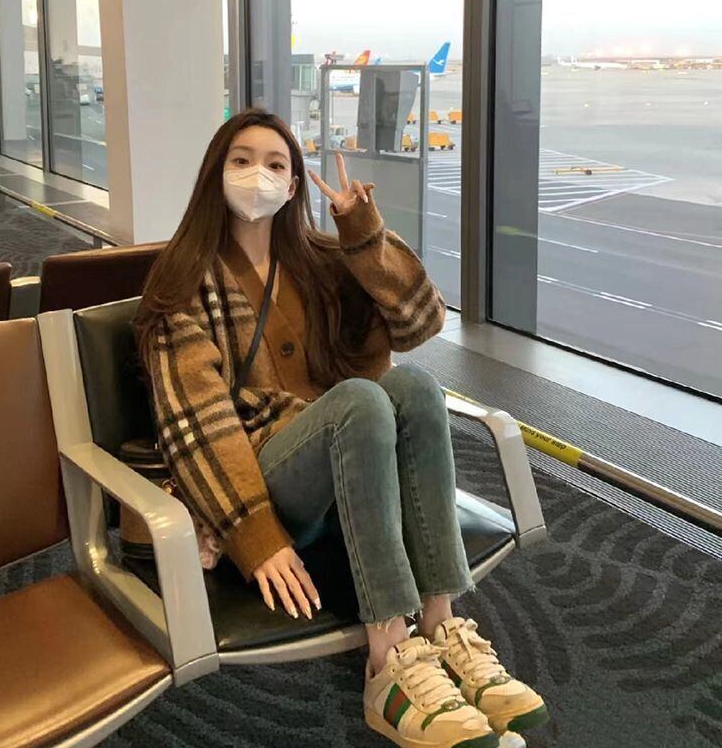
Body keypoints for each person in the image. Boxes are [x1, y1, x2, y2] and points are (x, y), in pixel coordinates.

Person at [135, 108, 548, 748]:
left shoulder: (321, 263)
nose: (257, 175)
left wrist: (362, 233)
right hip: (267, 472)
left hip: (354, 459)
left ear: (293, 186)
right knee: (359, 400)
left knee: (415, 386)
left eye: (275, 164)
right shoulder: (185, 283)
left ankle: (441, 623)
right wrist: (254, 533)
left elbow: (421, 320)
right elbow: (196, 423)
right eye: (241, 160)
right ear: (216, 174)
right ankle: (389, 660)